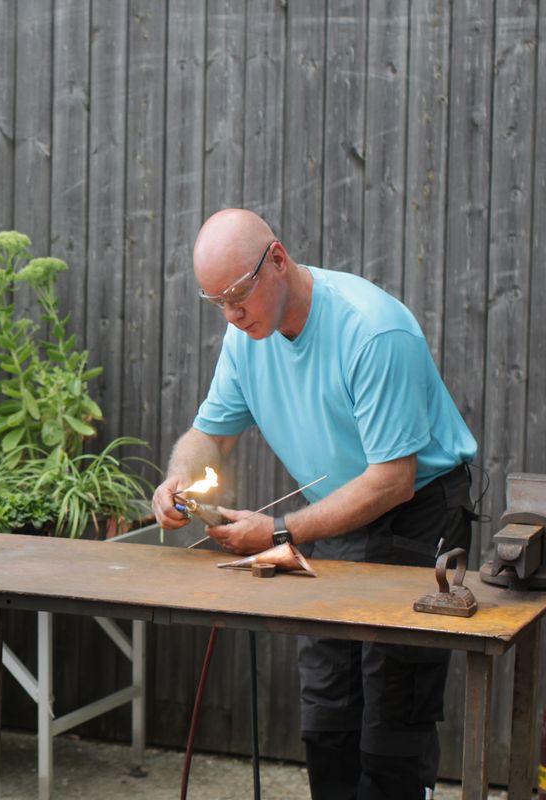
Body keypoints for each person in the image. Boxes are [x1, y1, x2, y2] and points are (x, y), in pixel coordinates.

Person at [150, 209, 477, 800]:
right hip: (327, 514)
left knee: (391, 718)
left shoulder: (373, 330)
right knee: (327, 710)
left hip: (418, 512)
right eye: (215, 301)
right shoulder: (244, 335)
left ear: (277, 260)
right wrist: (178, 479)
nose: (231, 314)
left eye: (238, 296)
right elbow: (211, 436)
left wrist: (278, 531)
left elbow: (392, 481)